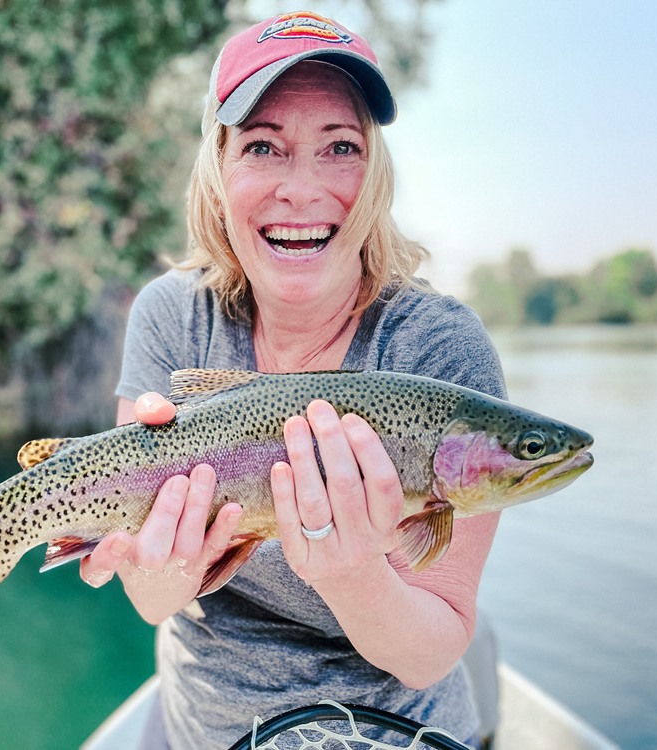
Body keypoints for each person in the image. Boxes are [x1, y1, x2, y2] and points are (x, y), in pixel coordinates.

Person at [80, 11, 506, 750]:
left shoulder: (440, 347)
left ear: (375, 174)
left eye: (339, 147)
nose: (300, 189)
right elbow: (152, 602)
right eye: (262, 147)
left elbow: (434, 647)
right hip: (202, 732)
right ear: (218, 172)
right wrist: (162, 561)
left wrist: (352, 575)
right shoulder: (170, 317)